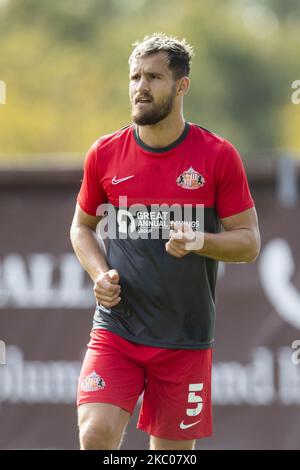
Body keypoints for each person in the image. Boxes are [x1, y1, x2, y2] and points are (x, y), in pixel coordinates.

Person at [70, 33, 260, 451]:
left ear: (181, 85)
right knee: (96, 433)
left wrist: (199, 241)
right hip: (117, 328)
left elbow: (248, 243)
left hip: (184, 338)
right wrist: (99, 273)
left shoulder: (217, 155)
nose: (140, 86)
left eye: (153, 77)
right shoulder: (105, 153)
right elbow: (81, 227)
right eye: (135, 76)